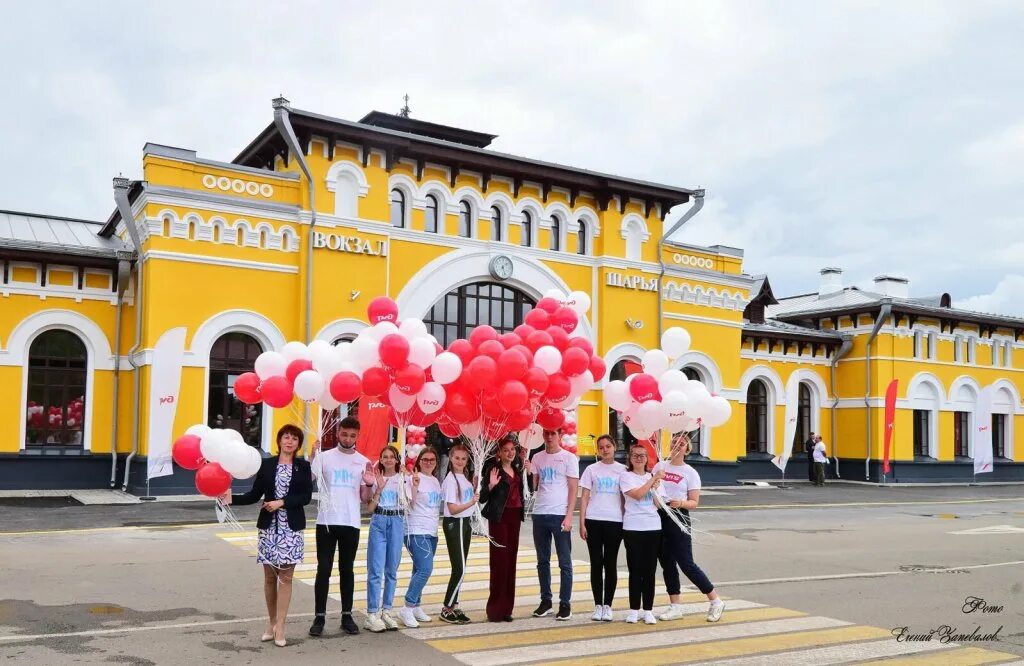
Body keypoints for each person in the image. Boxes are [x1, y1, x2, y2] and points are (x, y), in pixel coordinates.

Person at [222, 424, 312, 647]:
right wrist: (231, 498)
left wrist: (282, 502)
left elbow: (306, 497)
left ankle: (281, 625)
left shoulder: (303, 466)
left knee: (287, 577)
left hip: (291, 528)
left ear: (298, 444)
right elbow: (255, 494)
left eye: (294, 438)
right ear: (279, 440)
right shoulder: (267, 464)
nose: (289, 441)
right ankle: (271, 623)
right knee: (270, 577)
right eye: (286, 437)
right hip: (269, 528)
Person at [308, 417, 373, 637]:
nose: (348, 438)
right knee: (323, 569)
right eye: (344, 434)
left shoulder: (363, 461)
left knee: (347, 569)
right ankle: (319, 617)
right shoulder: (324, 457)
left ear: (357, 436)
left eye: (352, 435)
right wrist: (310, 458)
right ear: (338, 433)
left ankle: (347, 615)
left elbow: (365, 498)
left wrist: (370, 483)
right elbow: (308, 480)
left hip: (350, 522)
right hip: (326, 521)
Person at [656, 434, 725, 623]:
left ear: (687, 449)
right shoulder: (659, 466)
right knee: (667, 563)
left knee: (686, 563)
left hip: (679, 517)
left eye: (681, 443)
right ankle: (675, 606)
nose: (676, 445)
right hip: (658, 517)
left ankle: (715, 600)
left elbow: (694, 502)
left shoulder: (691, 473)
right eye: (674, 442)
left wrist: (680, 503)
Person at [530, 427, 579, 621]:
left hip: (559, 514)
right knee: (542, 561)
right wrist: (527, 471)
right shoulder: (537, 458)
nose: (549, 437)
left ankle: (565, 603)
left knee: (564, 562)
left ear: (559, 435)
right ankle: (546, 601)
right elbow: (534, 486)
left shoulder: (569, 458)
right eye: (546, 433)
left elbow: (573, 488)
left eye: (553, 433)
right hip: (540, 513)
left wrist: (568, 516)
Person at [578, 434, 625, 622]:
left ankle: (608, 606)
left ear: (614, 447)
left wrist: (625, 521)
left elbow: (624, 498)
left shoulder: (623, 470)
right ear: (598, 450)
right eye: (601, 447)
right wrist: (582, 522)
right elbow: (585, 497)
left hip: (615, 522)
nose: (605, 450)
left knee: (610, 563)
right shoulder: (591, 469)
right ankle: (598, 605)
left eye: (608, 446)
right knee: (596, 564)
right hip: (593, 520)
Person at [480, 436, 528, 622]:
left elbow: (526, 493)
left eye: (512, 449)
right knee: (499, 562)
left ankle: (507, 608)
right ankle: (494, 610)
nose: (510, 453)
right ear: (499, 453)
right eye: (506, 450)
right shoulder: (493, 470)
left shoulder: (518, 469)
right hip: (499, 518)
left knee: (511, 563)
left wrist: (530, 473)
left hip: (515, 517)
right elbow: (483, 497)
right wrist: (491, 485)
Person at [619, 443, 663, 625]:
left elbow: (660, 505)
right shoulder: (626, 476)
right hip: (633, 528)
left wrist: (656, 487)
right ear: (630, 458)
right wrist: (651, 482)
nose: (639, 458)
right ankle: (634, 610)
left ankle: (648, 610)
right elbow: (636, 495)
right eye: (635, 455)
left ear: (647, 459)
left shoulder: (653, 478)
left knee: (650, 570)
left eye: (642, 455)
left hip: (652, 527)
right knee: (635, 570)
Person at [400, 446, 443, 628]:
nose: (428, 463)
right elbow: (409, 504)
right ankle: (407, 607)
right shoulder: (412, 478)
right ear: (419, 461)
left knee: (418, 570)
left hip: (431, 531)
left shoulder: (435, 481)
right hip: (415, 530)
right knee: (425, 569)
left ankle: (416, 606)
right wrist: (415, 486)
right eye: (424, 459)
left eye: (432, 460)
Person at [363, 445, 404, 633]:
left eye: (391, 456)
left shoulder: (403, 478)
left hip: (396, 520)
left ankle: (386, 611)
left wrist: (409, 480)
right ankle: (372, 613)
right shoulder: (377, 478)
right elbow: (369, 509)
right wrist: (378, 489)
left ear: (396, 460)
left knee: (392, 570)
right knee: (375, 569)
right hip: (379, 520)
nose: (388, 460)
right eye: (384, 456)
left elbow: (410, 501)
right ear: (381, 459)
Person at [439, 443, 479, 624]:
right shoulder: (450, 480)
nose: (460, 461)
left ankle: (454, 605)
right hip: (456, 523)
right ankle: (447, 608)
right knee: (460, 568)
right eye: (457, 458)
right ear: (451, 458)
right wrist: (472, 502)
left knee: (461, 567)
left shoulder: (465, 477)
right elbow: (453, 509)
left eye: (463, 459)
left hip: (465, 522)